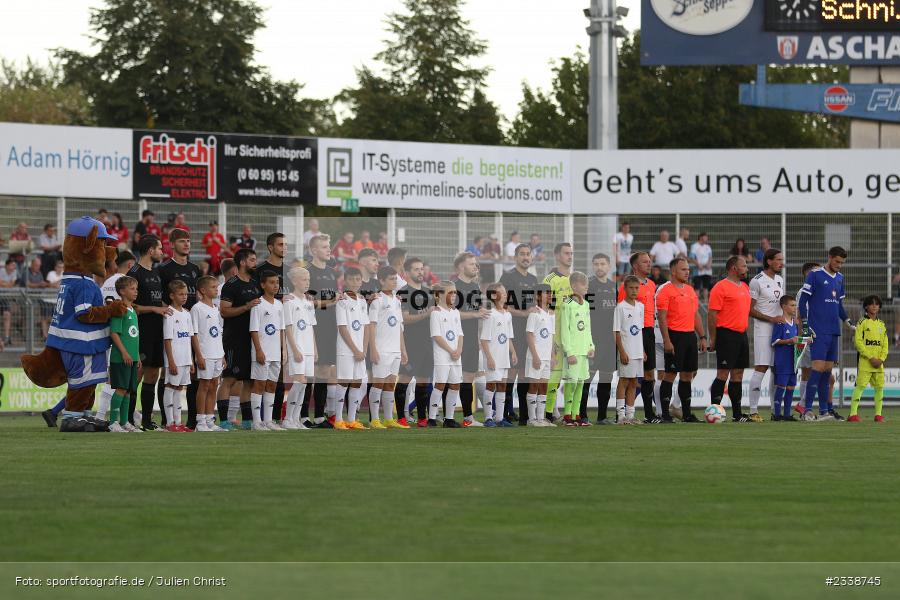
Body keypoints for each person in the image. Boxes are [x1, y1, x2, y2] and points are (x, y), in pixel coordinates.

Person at [798, 246, 853, 421]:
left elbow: (839, 306)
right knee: (817, 368)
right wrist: (806, 325)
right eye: (837, 261)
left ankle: (823, 412)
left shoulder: (840, 278)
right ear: (829, 258)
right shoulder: (814, 275)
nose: (839, 265)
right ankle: (806, 410)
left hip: (833, 330)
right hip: (818, 330)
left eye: (842, 263)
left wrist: (848, 321)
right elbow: (802, 302)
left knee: (827, 371)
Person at [158, 228, 202, 429]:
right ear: (172, 244)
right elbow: (158, 296)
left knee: (190, 377)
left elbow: (199, 297)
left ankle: (191, 420)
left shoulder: (195, 269)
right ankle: (168, 420)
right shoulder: (164, 269)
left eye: (188, 241)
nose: (187, 244)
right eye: (182, 241)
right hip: (173, 327)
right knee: (167, 376)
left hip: (191, 325)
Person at [657, 257, 708, 422]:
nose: (687, 272)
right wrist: (667, 340)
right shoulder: (665, 291)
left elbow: (695, 315)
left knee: (687, 375)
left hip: (689, 337)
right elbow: (662, 318)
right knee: (670, 375)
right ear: (673, 271)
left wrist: (702, 336)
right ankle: (665, 414)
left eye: (688, 269)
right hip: (674, 336)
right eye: (683, 269)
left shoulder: (690, 290)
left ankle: (686, 414)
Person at [129, 235, 171, 431]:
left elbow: (158, 302)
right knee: (137, 374)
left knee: (153, 373)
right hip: (141, 330)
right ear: (150, 251)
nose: (162, 252)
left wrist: (175, 309)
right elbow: (131, 305)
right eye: (159, 248)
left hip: (157, 330)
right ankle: (127, 419)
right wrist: (154, 310)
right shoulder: (134, 272)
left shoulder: (155, 273)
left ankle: (146, 420)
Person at [220, 248, 262, 430]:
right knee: (229, 379)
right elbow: (224, 311)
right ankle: (223, 420)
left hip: (252, 338)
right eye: (252, 260)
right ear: (243, 262)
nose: (255, 263)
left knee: (248, 380)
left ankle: (246, 420)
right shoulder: (231, 284)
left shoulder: (255, 284)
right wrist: (246, 307)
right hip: (234, 338)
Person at [708, 255, 753, 422]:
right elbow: (712, 315)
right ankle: (714, 411)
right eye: (744, 265)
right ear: (734, 268)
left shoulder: (745, 287)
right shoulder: (720, 287)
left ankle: (737, 414)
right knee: (723, 373)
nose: (747, 268)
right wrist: (713, 338)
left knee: (738, 374)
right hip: (726, 334)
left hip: (742, 335)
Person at [499, 243, 538, 425]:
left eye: (528, 254)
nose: (525, 257)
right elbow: (502, 305)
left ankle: (523, 414)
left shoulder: (533, 279)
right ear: (515, 257)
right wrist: (523, 314)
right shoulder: (507, 278)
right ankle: (506, 412)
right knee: (511, 373)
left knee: (524, 374)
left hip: (528, 333)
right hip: (511, 331)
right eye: (522, 254)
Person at [618, 252, 659, 423]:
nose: (649, 264)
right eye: (645, 262)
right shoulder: (626, 287)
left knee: (649, 374)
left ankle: (649, 415)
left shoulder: (652, 285)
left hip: (648, 331)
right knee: (628, 378)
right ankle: (622, 414)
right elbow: (622, 312)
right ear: (635, 266)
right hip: (631, 335)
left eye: (650, 261)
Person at [305, 235, 340, 428]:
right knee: (309, 373)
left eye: (329, 246)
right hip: (312, 327)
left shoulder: (331, 272)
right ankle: (302, 416)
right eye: (325, 247)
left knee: (325, 371)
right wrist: (329, 302)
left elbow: (331, 300)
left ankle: (319, 416)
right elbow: (307, 304)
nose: (329, 250)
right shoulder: (307, 272)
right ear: (313, 250)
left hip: (329, 327)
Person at [368, 266, 408, 429]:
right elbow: (371, 326)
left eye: (395, 279)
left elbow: (399, 327)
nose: (394, 282)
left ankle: (389, 419)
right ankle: (374, 419)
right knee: (378, 383)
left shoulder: (396, 301)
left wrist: (403, 350)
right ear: (382, 280)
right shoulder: (377, 301)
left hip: (395, 350)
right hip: (381, 349)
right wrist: (373, 349)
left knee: (391, 383)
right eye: (391, 279)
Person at [748, 248, 785, 422]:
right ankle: (753, 410)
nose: (781, 263)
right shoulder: (757, 281)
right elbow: (750, 309)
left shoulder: (779, 280)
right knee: (761, 367)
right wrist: (771, 319)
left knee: (777, 370)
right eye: (778, 259)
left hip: (779, 330)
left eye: (782, 260)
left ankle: (775, 410)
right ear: (768, 261)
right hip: (763, 330)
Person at [398, 257, 435, 427]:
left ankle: (422, 418)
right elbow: (404, 319)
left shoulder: (429, 292)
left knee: (424, 381)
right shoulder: (403, 293)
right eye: (416, 269)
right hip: (410, 344)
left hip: (427, 343)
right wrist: (425, 314)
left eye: (422, 269)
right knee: (404, 380)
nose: (420, 272)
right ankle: (401, 417)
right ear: (406, 273)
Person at [453, 252, 488, 427]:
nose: (475, 266)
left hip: (472, 340)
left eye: (476, 264)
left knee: (468, 378)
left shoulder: (475, 287)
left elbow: (478, 313)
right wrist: (476, 314)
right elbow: (451, 313)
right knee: (451, 379)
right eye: (471, 264)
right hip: (455, 341)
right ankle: (446, 417)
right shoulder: (453, 287)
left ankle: (468, 418)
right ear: (461, 267)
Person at [256, 233, 288, 422]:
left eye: (286, 244)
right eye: (280, 244)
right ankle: (257, 419)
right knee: (260, 381)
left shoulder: (290, 271)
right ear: (270, 247)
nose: (284, 248)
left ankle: (274, 418)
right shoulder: (260, 270)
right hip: (264, 332)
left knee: (279, 380)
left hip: (284, 329)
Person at [248, 271, 284, 431]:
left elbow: (281, 329)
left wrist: (283, 350)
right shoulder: (258, 304)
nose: (275, 285)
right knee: (259, 384)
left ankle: (268, 421)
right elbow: (254, 330)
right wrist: (258, 351)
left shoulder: (279, 305)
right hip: (262, 352)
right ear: (263, 285)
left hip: (276, 352)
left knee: (272, 385)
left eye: (277, 282)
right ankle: (256, 421)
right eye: (271, 282)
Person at [334, 267, 370, 429]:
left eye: (358, 279)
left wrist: (364, 349)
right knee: (344, 382)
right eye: (352, 279)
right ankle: (338, 419)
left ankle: (351, 419)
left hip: (360, 350)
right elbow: (342, 328)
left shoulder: (362, 301)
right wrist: (355, 350)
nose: (355, 282)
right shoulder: (342, 302)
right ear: (345, 281)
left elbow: (366, 327)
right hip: (346, 350)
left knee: (357, 381)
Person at [583, 253, 616, 425]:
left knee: (606, 378)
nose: (599, 267)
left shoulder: (613, 287)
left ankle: (602, 416)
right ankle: (582, 415)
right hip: (593, 340)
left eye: (602, 264)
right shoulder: (589, 286)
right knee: (587, 379)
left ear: (609, 266)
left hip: (610, 341)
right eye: (596, 264)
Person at [543, 242, 574, 422]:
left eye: (571, 253)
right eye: (566, 253)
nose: (569, 256)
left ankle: (565, 413)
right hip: (556, 338)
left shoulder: (575, 279)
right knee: (553, 377)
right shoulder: (550, 280)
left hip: (571, 339)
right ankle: (547, 413)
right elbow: (548, 311)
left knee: (569, 378)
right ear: (557, 256)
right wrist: (552, 339)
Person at [282, 266, 317, 430]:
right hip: (297, 347)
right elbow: (288, 327)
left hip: (309, 348)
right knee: (299, 381)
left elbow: (311, 327)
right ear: (294, 281)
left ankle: (296, 419)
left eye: (308, 279)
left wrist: (315, 349)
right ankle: (288, 418)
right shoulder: (289, 301)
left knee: (304, 383)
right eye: (304, 279)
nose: (307, 282)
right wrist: (294, 349)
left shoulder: (309, 301)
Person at [190, 275, 226, 432]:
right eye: (213, 287)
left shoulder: (215, 308)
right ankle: (200, 420)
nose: (216, 289)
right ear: (203, 290)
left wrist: (223, 354)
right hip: (205, 353)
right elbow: (194, 334)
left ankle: (210, 420)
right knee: (204, 385)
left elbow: (218, 333)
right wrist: (198, 355)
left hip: (217, 353)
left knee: (213, 386)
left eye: (217, 287)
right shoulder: (197, 308)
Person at [479, 283, 516, 427]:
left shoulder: (508, 315)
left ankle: (500, 418)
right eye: (502, 292)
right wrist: (489, 358)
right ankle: (488, 417)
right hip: (493, 357)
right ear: (494, 296)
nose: (506, 294)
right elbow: (484, 339)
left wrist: (513, 352)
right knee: (491, 385)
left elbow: (508, 337)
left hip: (504, 357)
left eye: (506, 291)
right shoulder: (490, 315)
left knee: (502, 386)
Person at [559, 272, 592, 427]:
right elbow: (564, 330)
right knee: (571, 384)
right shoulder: (567, 304)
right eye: (583, 284)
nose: (586, 286)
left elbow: (587, 329)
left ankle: (576, 415)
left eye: (586, 283)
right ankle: (567, 416)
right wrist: (569, 351)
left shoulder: (585, 304)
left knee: (580, 384)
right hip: (573, 352)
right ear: (574, 286)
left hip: (584, 352)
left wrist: (591, 345)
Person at [162, 280, 195, 432]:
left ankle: (178, 422)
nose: (184, 297)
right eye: (180, 294)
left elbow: (188, 338)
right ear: (172, 295)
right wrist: (171, 361)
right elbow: (167, 339)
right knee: (171, 387)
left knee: (180, 388)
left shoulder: (187, 314)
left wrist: (191, 361)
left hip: (185, 359)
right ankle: (169, 423)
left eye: (186, 294)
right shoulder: (169, 313)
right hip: (174, 359)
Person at [429, 281, 463, 428]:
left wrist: (459, 350)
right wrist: (451, 351)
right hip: (443, 355)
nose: (454, 295)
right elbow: (436, 336)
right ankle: (431, 417)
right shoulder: (436, 313)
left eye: (455, 292)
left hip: (456, 355)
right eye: (450, 292)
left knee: (455, 385)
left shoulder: (456, 312)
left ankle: (449, 418)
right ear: (440, 295)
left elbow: (460, 334)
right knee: (440, 385)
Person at [849, 295, 888, 423]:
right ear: (866, 306)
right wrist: (870, 357)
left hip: (879, 363)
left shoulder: (882, 325)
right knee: (860, 386)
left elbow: (885, 344)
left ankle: (878, 415)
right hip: (866, 362)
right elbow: (858, 342)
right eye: (871, 304)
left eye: (877, 304)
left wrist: (881, 359)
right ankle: (853, 414)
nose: (874, 306)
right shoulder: (861, 322)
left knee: (879, 388)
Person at [614, 275, 645, 425]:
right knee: (624, 381)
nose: (634, 291)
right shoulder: (620, 308)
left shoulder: (640, 307)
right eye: (631, 288)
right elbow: (617, 332)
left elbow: (640, 331)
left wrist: (643, 350)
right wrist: (622, 351)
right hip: (627, 351)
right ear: (625, 289)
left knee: (634, 382)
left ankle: (630, 415)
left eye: (636, 288)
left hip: (638, 351)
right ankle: (620, 416)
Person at [525, 284, 554, 426]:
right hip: (535, 356)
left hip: (547, 357)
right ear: (537, 296)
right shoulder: (534, 314)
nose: (549, 295)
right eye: (546, 293)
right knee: (534, 387)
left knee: (544, 387)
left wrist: (553, 356)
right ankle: (531, 419)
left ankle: (541, 418)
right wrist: (535, 356)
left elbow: (551, 337)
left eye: (550, 293)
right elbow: (529, 335)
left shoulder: (551, 314)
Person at [770, 296, 800, 421]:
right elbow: (774, 342)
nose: (795, 308)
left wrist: (804, 341)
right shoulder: (780, 322)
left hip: (793, 362)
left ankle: (787, 414)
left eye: (795, 305)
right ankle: (776, 415)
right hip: (782, 362)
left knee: (791, 387)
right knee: (781, 387)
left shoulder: (795, 323)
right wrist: (789, 340)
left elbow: (797, 341)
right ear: (784, 306)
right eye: (792, 305)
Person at [689, 232, 713, 302]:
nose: (706, 239)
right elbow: (691, 258)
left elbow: (710, 257)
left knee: (706, 287)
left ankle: (706, 303)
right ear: (701, 237)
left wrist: (709, 264)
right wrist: (698, 264)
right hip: (698, 271)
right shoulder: (694, 246)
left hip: (707, 271)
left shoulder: (708, 247)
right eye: (705, 237)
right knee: (697, 287)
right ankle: (696, 304)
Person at [0, 258, 17, 347]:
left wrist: (4, 283)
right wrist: (7, 284)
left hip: (6, 297)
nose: (13, 267)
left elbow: (12, 284)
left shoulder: (14, 272)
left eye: (14, 266)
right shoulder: (1, 270)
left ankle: (7, 337)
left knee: (7, 314)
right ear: (7, 265)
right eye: (12, 265)